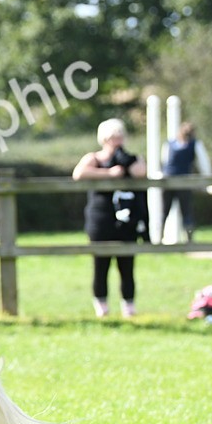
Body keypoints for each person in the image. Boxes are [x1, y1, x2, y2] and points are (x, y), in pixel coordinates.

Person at [73, 118, 147, 318]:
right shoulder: (94, 158)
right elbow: (79, 173)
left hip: (126, 220)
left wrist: (125, 163)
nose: (118, 140)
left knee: (127, 265)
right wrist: (108, 173)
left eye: (120, 135)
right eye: (114, 136)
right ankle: (102, 306)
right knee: (101, 265)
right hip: (101, 220)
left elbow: (142, 172)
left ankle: (129, 306)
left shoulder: (131, 158)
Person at [161, 122, 212, 242]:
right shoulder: (195, 144)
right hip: (184, 181)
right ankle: (189, 240)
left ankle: (159, 239)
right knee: (187, 212)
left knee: (164, 211)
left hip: (167, 181)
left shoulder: (169, 144)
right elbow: (204, 164)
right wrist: (208, 180)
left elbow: (164, 162)